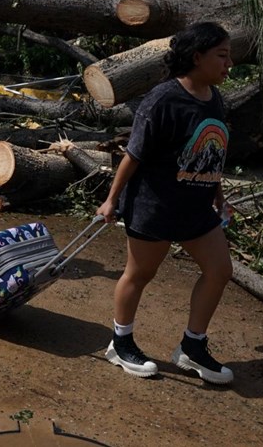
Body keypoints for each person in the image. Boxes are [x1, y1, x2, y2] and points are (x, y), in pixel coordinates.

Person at [96, 21, 235, 385]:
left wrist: (218, 196)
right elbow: (133, 155)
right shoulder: (162, 99)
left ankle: (192, 346)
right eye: (222, 56)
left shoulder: (215, 97)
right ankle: (120, 342)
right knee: (140, 274)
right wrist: (111, 201)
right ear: (196, 57)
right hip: (154, 206)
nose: (229, 64)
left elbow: (213, 153)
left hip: (196, 208)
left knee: (220, 270)